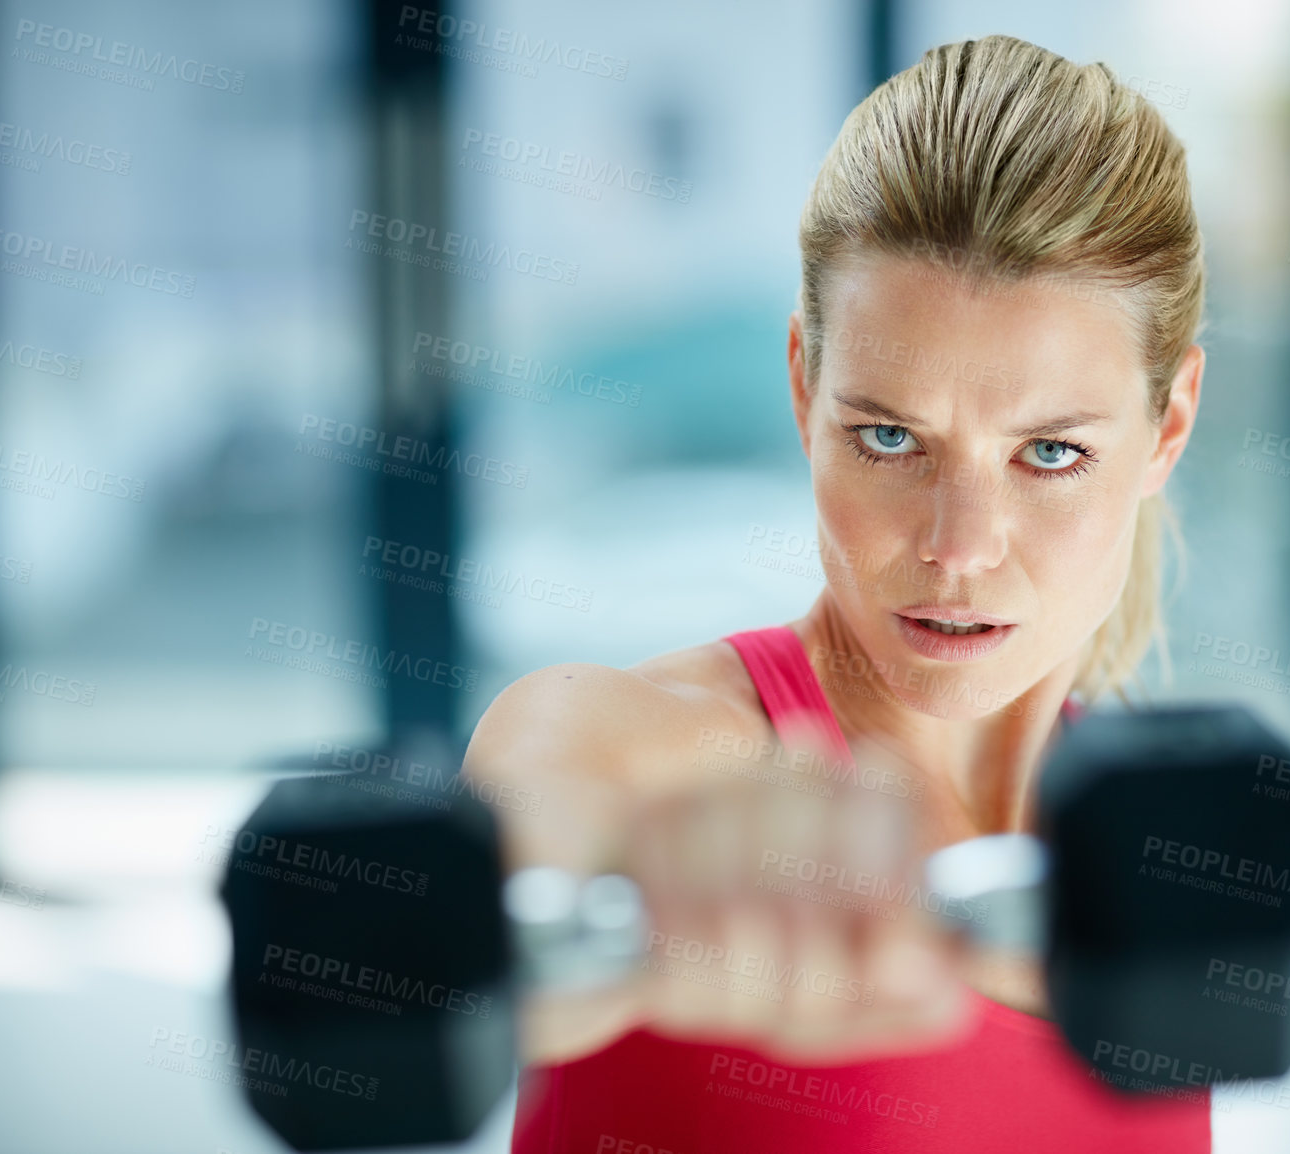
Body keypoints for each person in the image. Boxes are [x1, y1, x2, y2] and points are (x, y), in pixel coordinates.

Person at [464, 33, 1209, 1153]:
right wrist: (626, 906)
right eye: (889, 436)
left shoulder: (1162, 849)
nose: (958, 548)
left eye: (1049, 453)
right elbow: (484, 899)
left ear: (1168, 424)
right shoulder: (626, 739)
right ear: (805, 385)